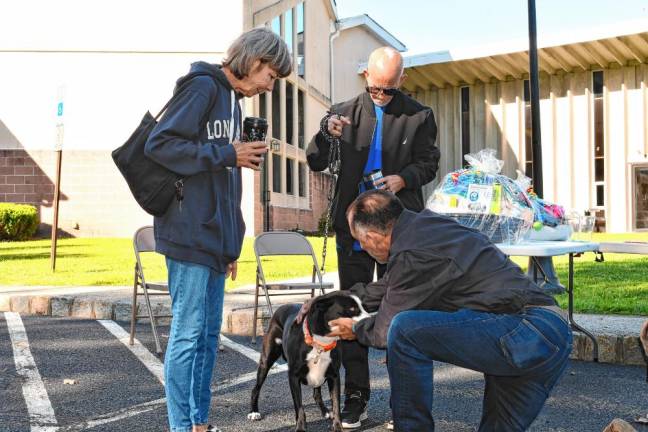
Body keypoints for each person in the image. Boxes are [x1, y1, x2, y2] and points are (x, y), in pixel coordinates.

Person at [327, 189, 573, 432]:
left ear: (371, 237)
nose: (362, 246)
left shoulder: (411, 253)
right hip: (549, 334)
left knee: (403, 330)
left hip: (522, 329)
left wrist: (357, 329)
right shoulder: (427, 229)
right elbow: (387, 289)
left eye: (360, 241)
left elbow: (384, 331)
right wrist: (329, 302)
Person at [144, 28, 291, 432]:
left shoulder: (233, 104)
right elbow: (160, 145)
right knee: (188, 337)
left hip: (214, 239)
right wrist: (227, 152)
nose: (269, 85)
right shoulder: (202, 87)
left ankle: (198, 422)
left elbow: (227, 183)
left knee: (207, 339)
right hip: (188, 232)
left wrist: (231, 244)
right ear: (255, 60)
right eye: (271, 76)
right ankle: (180, 425)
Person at [306, 46, 440, 428]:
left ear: (402, 81)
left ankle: (407, 402)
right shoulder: (342, 112)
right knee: (353, 308)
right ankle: (356, 395)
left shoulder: (419, 115)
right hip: (354, 227)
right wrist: (323, 132)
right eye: (376, 87)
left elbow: (429, 163)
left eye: (389, 90)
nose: (381, 95)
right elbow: (316, 160)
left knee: (404, 311)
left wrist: (403, 179)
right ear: (366, 76)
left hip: (400, 228)